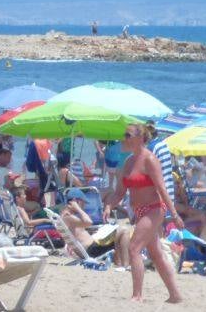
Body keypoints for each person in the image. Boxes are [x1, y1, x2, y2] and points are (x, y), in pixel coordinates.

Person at [104, 123, 182, 303]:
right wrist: (109, 205)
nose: (124, 139)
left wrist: (175, 215)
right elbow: (119, 192)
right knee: (156, 254)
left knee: (134, 248)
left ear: (140, 138)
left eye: (128, 135)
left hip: (154, 209)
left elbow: (162, 189)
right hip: (139, 212)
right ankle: (175, 295)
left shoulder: (150, 159)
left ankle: (137, 295)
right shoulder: (128, 162)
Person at [60, 200, 131, 267]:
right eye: (83, 203)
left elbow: (79, 232)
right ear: (76, 202)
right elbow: (89, 222)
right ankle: (125, 264)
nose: (83, 206)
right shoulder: (68, 217)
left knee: (117, 233)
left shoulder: (65, 218)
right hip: (92, 249)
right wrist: (78, 209)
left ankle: (119, 263)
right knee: (124, 231)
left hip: (91, 247)